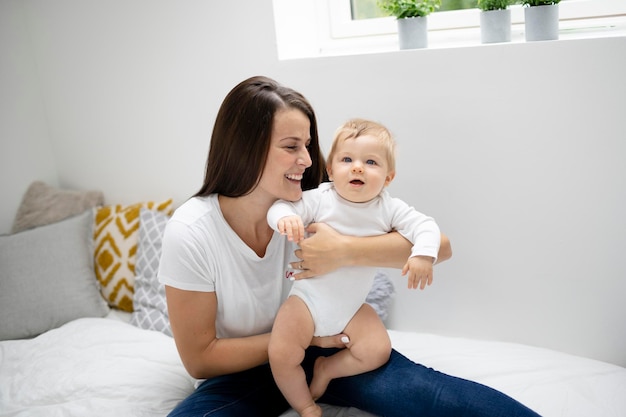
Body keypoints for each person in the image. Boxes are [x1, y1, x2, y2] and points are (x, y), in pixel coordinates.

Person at [158, 75, 541, 417]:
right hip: (247, 371)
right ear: (246, 148)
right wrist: (300, 340)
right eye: (291, 146)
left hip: (334, 351)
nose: (308, 160)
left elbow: (440, 247)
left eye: (307, 145)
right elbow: (200, 359)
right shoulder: (192, 230)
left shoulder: (318, 201)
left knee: (435, 398)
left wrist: (344, 250)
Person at [266, 118, 441, 417]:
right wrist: (285, 218)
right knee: (281, 353)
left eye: (371, 162)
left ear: (388, 177)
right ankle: (305, 405)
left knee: (377, 350)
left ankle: (327, 369)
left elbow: (425, 225)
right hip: (306, 302)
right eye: (347, 159)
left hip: (352, 308)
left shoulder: (388, 208)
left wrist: (423, 255)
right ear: (332, 170)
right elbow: (281, 206)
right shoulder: (320, 199)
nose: (357, 167)